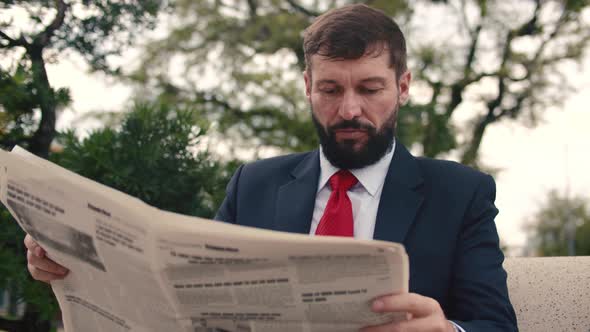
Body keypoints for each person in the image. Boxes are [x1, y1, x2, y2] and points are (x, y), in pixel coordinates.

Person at [24, 4, 517, 331]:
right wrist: (73, 265)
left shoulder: (462, 193)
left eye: (369, 89)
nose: (348, 109)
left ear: (403, 87)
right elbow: (182, 295)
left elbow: (496, 326)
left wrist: (447, 331)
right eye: (330, 89)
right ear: (307, 86)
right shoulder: (253, 183)